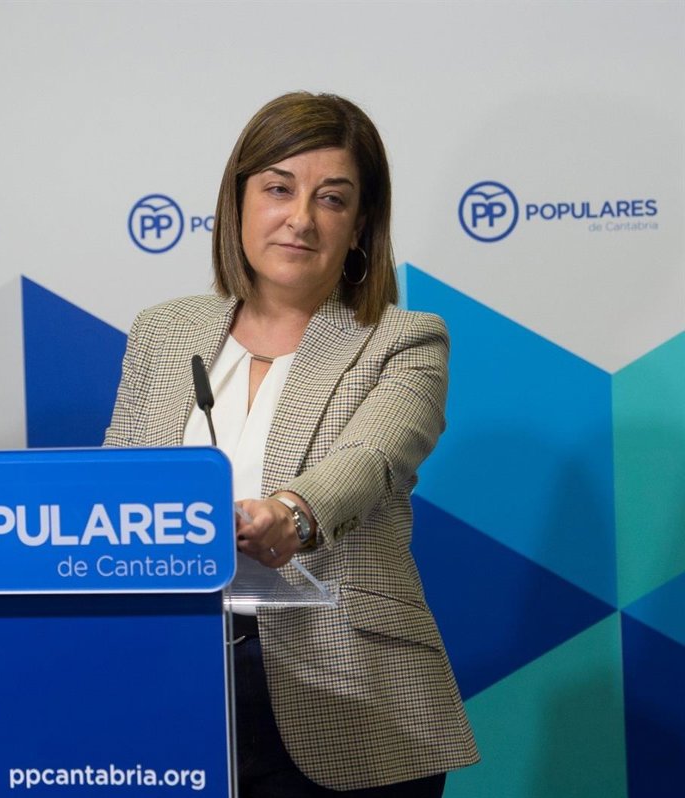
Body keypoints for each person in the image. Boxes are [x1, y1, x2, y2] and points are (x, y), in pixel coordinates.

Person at [105, 93, 478, 796]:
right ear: (238, 201)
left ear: (360, 224)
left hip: (351, 690)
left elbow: (372, 459)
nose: (301, 218)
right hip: (171, 682)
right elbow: (115, 484)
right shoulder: (163, 332)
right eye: (278, 189)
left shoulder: (405, 340)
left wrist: (292, 514)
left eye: (331, 198)